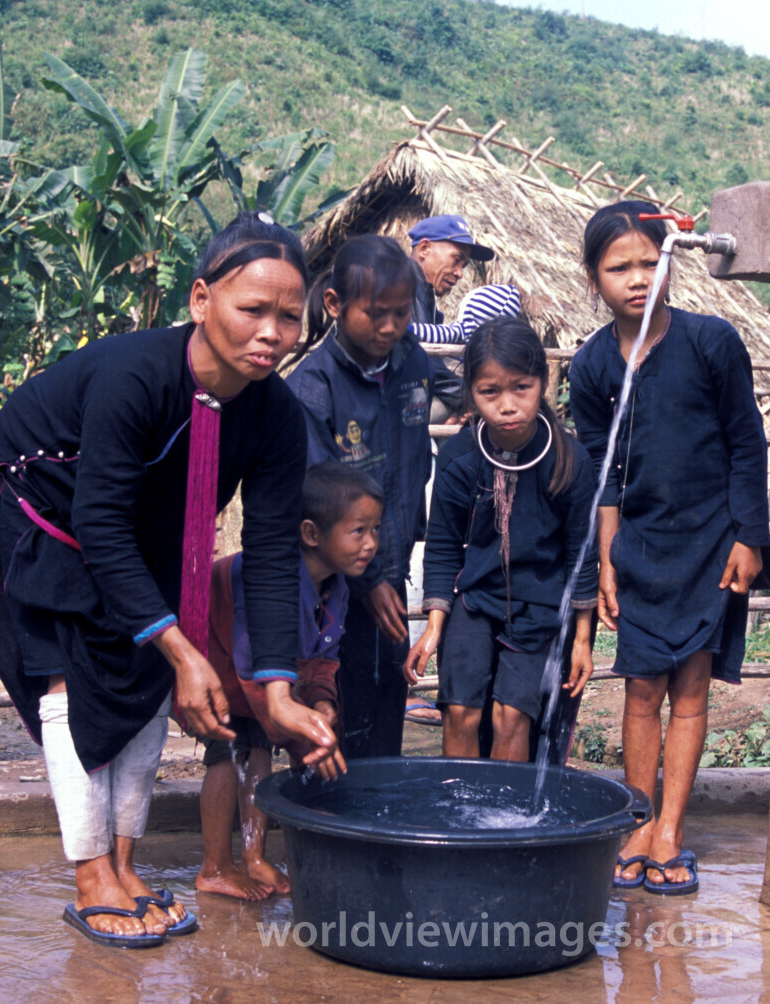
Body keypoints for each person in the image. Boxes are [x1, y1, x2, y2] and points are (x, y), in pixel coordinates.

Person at [0, 212, 339, 948]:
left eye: (289, 317)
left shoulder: (276, 418)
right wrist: (186, 652)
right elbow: (99, 524)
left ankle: (126, 867)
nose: (271, 332)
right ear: (201, 301)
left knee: (142, 670)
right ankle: (91, 872)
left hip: (149, 522)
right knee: (74, 672)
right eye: (252, 309)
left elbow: (267, 554)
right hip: (50, 503)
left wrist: (277, 689)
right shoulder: (136, 377)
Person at [567, 201, 770, 897]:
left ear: (670, 264)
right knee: (638, 688)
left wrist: (751, 535)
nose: (635, 278)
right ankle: (637, 821)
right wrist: (605, 559)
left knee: (690, 689)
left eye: (646, 263)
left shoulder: (711, 342)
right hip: (639, 545)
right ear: (593, 277)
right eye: (617, 267)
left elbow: (747, 443)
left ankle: (671, 832)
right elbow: (600, 474)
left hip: (711, 539)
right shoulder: (593, 365)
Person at [404, 317, 598, 761]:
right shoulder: (460, 457)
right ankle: (458, 814)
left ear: (543, 383)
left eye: (521, 388)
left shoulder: (569, 462)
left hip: (541, 608)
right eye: (490, 392)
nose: (507, 405)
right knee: (460, 711)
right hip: (475, 603)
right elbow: (443, 545)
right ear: (471, 391)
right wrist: (434, 626)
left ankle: (501, 824)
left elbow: (581, 555)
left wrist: (582, 638)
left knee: (511, 717)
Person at [195, 462, 378, 900]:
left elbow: (323, 658)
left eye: (375, 529)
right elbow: (252, 665)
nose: (371, 544)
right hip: (214, 664)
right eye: (358, 531)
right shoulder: (266, 579)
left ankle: (254, 857)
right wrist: (303, 743)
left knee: (257, 749)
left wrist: (321, 704)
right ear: (312, 534)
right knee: (227, 752)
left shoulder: (337, 588)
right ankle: (214, 866)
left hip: (260, 679)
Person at [288, 236, 433, 759]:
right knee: (331, 705)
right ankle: (324, 826)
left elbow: (420, 454)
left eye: (401, 313)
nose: (391, 327)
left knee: (385, 705)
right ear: (333, 305)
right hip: (331, 588)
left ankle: (380, 824)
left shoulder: (411, 362)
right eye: (376, 314)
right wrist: (365, 581)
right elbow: (315, 500)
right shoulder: (313, 388)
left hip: (389, 571)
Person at [406, 214, 495, 422]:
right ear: (425, 249)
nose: (459, 273)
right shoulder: (404, 281)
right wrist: (471, 398)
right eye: (456, 260)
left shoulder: (424, 292)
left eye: (463, 266)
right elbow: (420, 355)